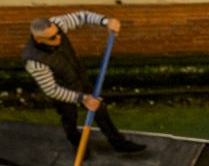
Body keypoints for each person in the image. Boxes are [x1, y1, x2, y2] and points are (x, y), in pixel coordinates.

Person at [23, 11, 145, 154]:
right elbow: (51, 89)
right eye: (52, 37)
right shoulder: (34, 62)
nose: (59, 38)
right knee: (69, 117)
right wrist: (83, 99)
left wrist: (106, 22)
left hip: (79, 78)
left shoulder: (57, 25)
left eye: (59, 33)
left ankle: (119, 143)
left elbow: (83, 17)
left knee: (100, 110)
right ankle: (77, 143)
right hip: (62, 91)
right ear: (39, 40)